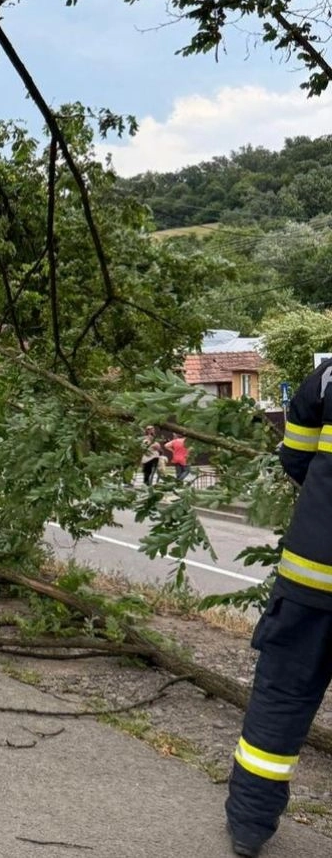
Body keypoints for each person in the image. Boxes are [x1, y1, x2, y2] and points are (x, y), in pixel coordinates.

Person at [224, 358, 332, 856]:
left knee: (281, 700)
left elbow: (295, 460)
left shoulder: (327, 378)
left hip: (310, 577)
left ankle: (249, 825)